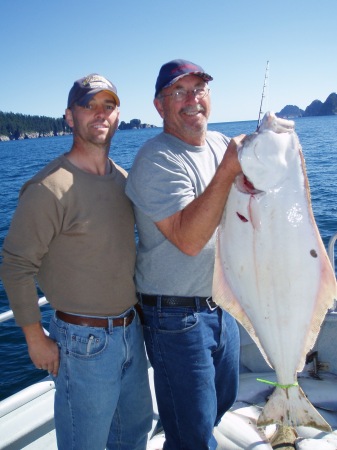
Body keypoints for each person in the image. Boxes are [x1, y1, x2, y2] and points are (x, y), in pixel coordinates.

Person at [0, 73, 153, 450]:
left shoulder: (123, 180)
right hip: (85, 344)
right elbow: (16, 265)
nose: (100, 114)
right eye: (89, 105)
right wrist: (35, 338)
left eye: (109, 105)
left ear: (118, 116)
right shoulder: (48, 189)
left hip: (132, 330)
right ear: (70, 117)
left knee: (134, 434)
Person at [125, 59, 243, 450]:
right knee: (191, 434)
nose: (192, 99)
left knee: (218, 406)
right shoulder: (156, 160)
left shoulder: (220, 145)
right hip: (176, 318)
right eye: (179, 92)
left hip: (223, 305)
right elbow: (188, 240)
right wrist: (228, 172)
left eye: (199, 89)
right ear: (159, 106)